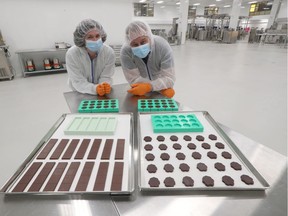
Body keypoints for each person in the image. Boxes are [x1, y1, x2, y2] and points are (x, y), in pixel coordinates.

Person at [120, 21, 176, 98]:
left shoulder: (162, 46)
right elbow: (133, 79)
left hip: (163, 89)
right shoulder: (126, 51)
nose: (140, 47)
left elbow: (169, 77)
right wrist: (149, 88)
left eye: (143, 42)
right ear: (129, 43)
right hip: (141, 92)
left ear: (149, 36)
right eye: (135, 44)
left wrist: (153, 87)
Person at [66, 19, 115, 95]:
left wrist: (104, 85)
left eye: (97, 36)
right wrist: (94, 89)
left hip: (102, 93)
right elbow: (78, 81)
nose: (95, 40)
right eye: (90, 37)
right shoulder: (72, 54)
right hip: (80, 92)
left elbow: (106, 76)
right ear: (82, 39)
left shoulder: (108, 52)